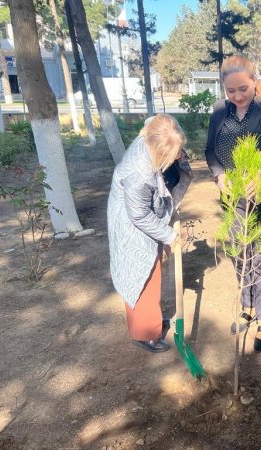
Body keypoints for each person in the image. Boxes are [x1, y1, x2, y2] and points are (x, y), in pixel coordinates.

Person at [205, 55, 261, 352]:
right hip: (233, 197)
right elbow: (210, 151)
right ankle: (247, 305)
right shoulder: (220, 111)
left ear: (254, 82)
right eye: (230, 91)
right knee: (241, 252)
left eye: (243, 88)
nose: (237, 96)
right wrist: (219, 176)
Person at [108, 114, 192, 353]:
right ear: (157, 151)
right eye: (174, 152)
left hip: (141, 215)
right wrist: (170, 235)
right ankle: (145, 333)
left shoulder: (152, 132)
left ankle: (149, 319)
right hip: (132, 225)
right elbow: (139, 215)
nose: (178, 155)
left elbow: (157, 122)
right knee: (143, 275)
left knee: (150, 272)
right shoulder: (138, 175)